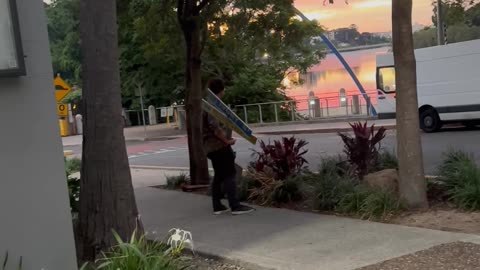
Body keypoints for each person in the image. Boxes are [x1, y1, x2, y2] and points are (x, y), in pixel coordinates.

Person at [203, 78, 255, 215]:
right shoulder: (213, 106)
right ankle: (235, 205)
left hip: (210, 147)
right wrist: (226, 141)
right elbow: (214, 126)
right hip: (218, 146)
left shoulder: (210, 103)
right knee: (230, 173)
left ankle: (217, 205)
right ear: (222, 90)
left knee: (219, 175)